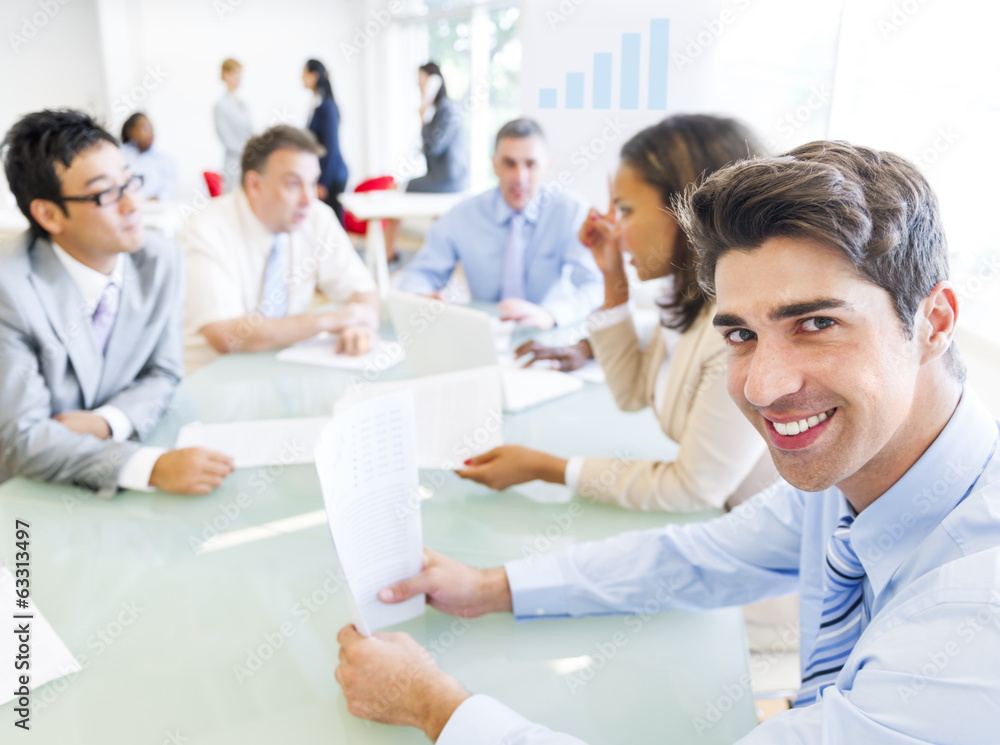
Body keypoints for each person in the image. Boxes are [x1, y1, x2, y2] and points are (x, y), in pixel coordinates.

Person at [334, 140, 1000, 743]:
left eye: (817, 322)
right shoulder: (864, 473)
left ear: (935, 320)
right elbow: (699, 556)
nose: (763, 386)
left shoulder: (973, 615)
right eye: (741, 334)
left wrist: (437, 707)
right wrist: (492, 585)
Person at [458, 115, 778, 512]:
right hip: (722, 516)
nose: (615, 228)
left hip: (748, 526)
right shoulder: (688, 300)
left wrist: (545, 468)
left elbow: (692, 489)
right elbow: (630, 393)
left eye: (626, 210)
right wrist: (612, 274)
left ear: (688, 211)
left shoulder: (742, 336)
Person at [0, 109, 234, 497]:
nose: (132, 205)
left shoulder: (161, 259)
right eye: (106, 193)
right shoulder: (9, 290)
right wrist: (149, 467)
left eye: (131, 181)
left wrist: (108, 422)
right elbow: (24, 439)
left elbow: (164, 372)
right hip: (25, 498)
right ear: (49, 214)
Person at [179, 125, 379, 372]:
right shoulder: (206, 228)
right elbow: (226, 335)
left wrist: (359, 326)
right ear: (254, 184)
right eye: (294, 184)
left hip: (283, 369)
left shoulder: (315, 217)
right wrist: (334, 319)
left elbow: (363, 291)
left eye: (313, 183)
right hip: (212, 376)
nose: (308, 200)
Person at [398, 118, 603, 328]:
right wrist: (421, 296)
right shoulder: (463, 215)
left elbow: (594, 285)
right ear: (494, 165)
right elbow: (419, 274)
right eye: (509, 163)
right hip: (484, 330)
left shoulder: (571, 212)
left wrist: (552, 314)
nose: (520, 177)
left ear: (547, 166)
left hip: (547, 331)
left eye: (531, 164)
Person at [384, 62, 470, 264]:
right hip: (442, 177)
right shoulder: (440, 110)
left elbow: (433, 147)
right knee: (404, 187)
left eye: (421, 81)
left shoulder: (447, 110)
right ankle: (396, 251)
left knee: (402, 187)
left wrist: (423, 117)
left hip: (450, 180)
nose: (418, 85)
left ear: (434, 83)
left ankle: (389, 251)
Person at [302, 59, 348, 226]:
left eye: (304, 74)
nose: (301, 78)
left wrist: (323, 183)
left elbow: (332, 147)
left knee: (333, 227)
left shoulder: (327, 106)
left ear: (314, 76)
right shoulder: (317, 104)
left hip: (332, 177)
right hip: (324, 175)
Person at [214, 57, 254, 193]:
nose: (239, 78)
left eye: (240, 74)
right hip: (233, 162)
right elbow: (226, 138)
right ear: (225, 75)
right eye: (235, 74)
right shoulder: (221, 105)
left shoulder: (244, 104)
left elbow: (251, 131)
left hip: (249, 160)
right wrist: (247, 150)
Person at [120, 112, 177, 201]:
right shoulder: (121, 155)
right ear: (131, 132)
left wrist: (155, 199)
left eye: (151, 129)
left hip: (155, 210)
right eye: (145, 129)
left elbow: (168, 192)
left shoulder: (165, 160)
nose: (151, 134)